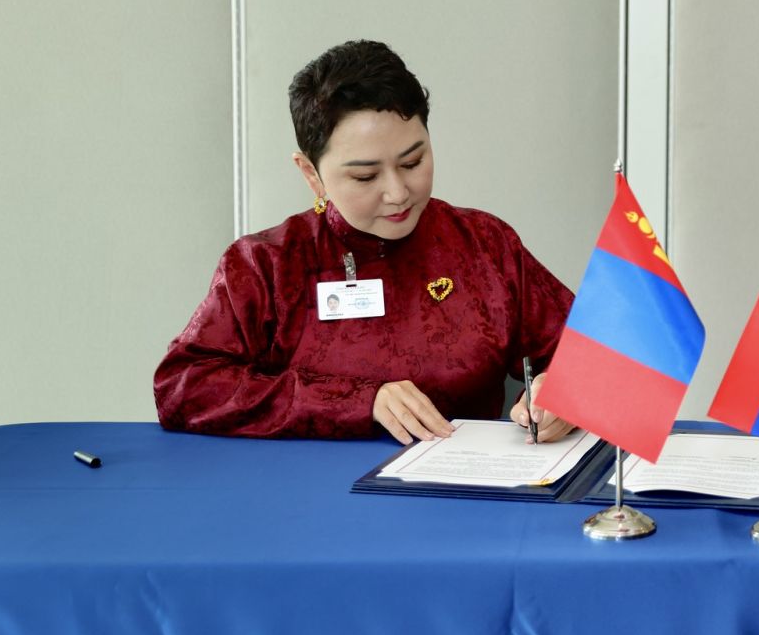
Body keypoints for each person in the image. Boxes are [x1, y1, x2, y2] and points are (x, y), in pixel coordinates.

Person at [155, 40, 575, 445]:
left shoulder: (483, 245)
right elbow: (183, 386)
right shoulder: (267, 265)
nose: (398, 193)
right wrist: (358, 401)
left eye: (413, 161)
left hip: (465, 485)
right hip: (306, 489)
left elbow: (590, 352)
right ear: (311, 174)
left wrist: (559, 393)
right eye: (365, 176)